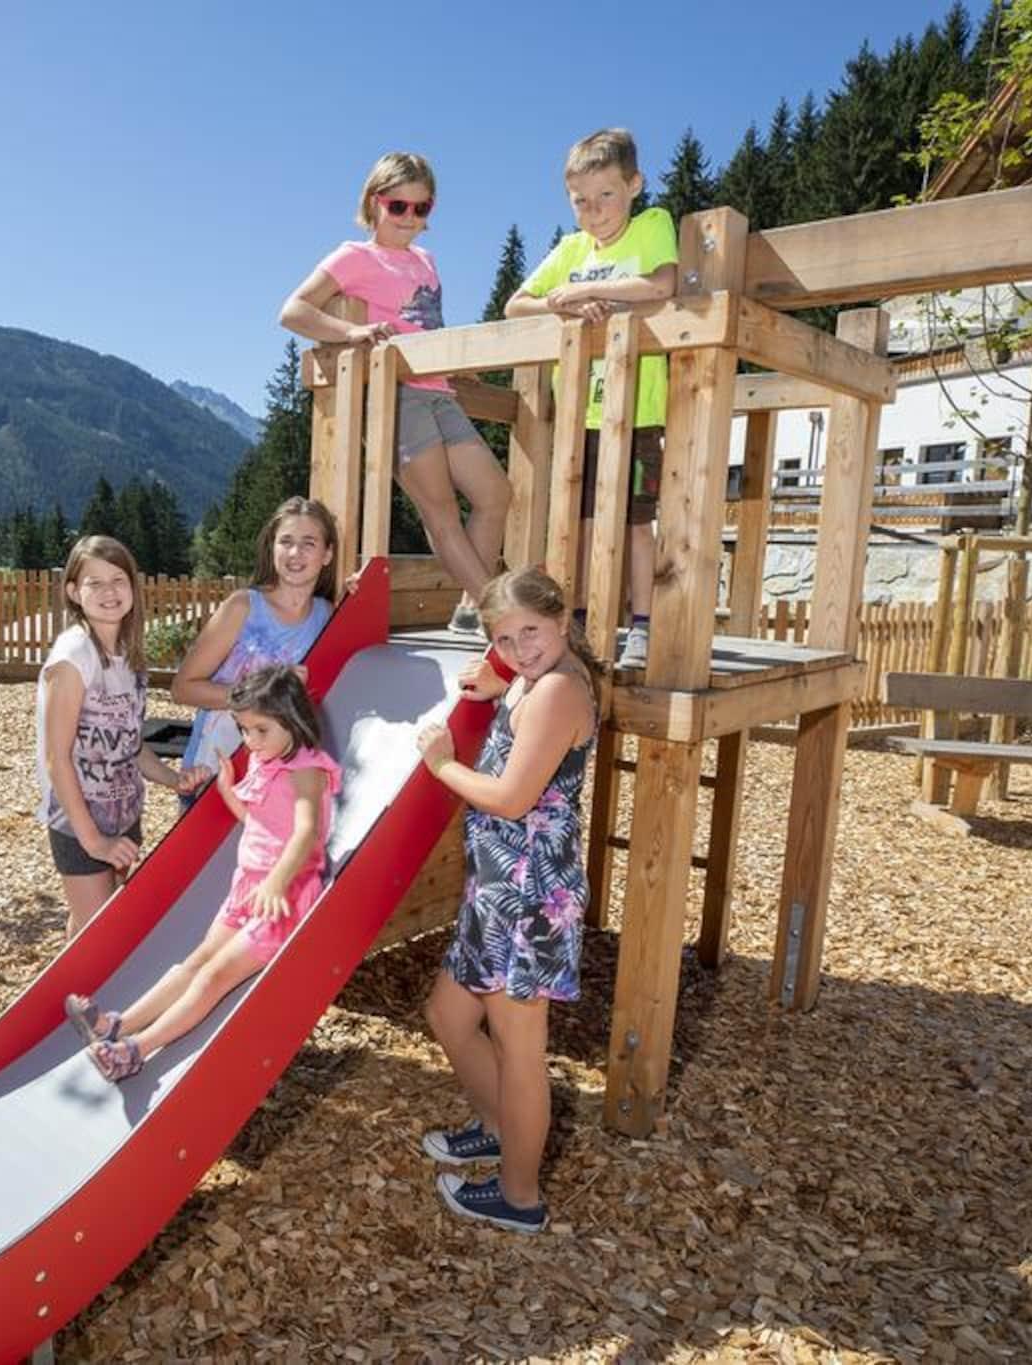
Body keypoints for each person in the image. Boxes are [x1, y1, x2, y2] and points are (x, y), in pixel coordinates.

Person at [414, 567, 602, 1233]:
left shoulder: (557, 690)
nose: (520, 648)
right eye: (504, 638)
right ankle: (499, 1129)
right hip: (495, 890)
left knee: (521, 1050)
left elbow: (512, 798)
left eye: (531, 631)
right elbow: (512, 681)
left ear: (562, 620)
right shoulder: (530, 679)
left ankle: (520, 1196)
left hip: (528, 897)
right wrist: (502, 681)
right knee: (448, 1014)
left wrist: (443, 764)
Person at [66, 665, 340, 1081]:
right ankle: (117, 1025)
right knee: (196, 962)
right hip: (249, 888)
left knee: (213, 976)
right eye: (244, 730)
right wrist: (229, 792)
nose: (251, 740)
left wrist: (277, 882)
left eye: (260, 730)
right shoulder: (266, 758)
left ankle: (135, 1051)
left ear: (293, 718)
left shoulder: (307, 769)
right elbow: (261, 825)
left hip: (282, 897)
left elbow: (306, 832)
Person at [279, 151, 510, 635]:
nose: (409, 217)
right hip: (396, 394)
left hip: (440, 391)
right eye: (397, 206)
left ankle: (472, 607)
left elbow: (426, 325)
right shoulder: (354, 256)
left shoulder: (426, 261)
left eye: (421, 208)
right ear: (374, 202)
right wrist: (351, 332)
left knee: (494, 492)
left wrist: (458, 368)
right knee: (440, 510)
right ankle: (502, 617)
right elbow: (294, 311)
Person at [504, 128, 677, 673]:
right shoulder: (571, 249)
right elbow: (516, 305)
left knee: (634, 521)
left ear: (634, 186)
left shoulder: (651, 225)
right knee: (575, 521)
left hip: (637, 412)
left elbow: (662, 284)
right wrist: (563, 306)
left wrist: (586, 290)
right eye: (581, 200)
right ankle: (575, 620)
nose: (594, 210)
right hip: (581, 417)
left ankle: (641, 624)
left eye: (606, 195)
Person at [37, 535, 207, 940]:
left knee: (93, 921)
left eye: (118, 580)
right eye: (94, 583)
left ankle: (72, 978)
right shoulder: (73, 657)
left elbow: (130, 744)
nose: (109, 592)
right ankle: (78, 982)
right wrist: (94, 841)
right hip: (80, 821)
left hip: (123, 811)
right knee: (100, 936)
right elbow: (57, 758)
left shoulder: (129, 656)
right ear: (74, 592)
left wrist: (173, 779)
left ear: (133, 587)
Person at [172, 496, 338, 783]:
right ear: (272, 548)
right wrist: (258, 695)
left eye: (309, 543)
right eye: (286, 541)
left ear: (327, 554)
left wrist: (360, 596)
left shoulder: (327, 615)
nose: (295, 553)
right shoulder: (243, 607)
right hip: (215, 771)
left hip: (281, 782)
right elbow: (182, 689)